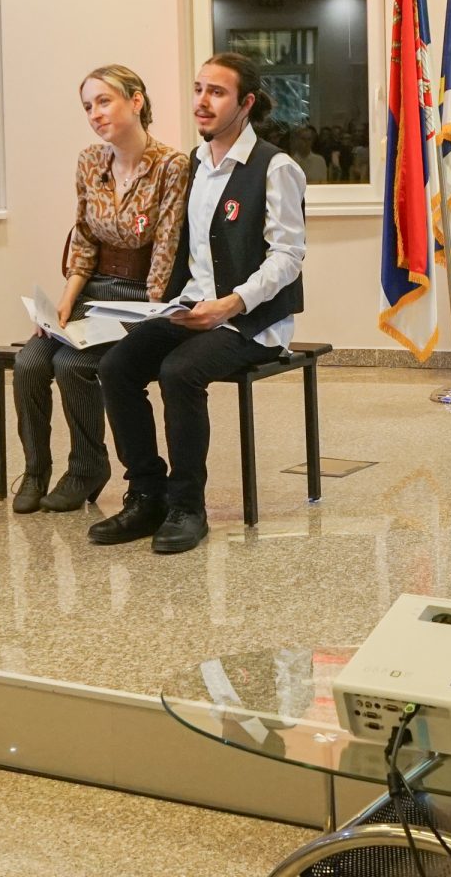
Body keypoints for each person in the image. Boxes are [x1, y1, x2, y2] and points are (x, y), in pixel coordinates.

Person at [92, 52, 306, 554]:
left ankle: (188, 507)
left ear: (246, 103)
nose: (202, 102)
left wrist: (230, 304)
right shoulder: (194, 163)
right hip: (193, 309)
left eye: (217, 92)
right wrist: (168, 303)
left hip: (251, 322)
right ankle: (148, 494)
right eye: (198, 89)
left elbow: (288, 257)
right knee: (117, 367)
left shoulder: (275, 167)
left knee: (179, 372)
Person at [11, 65, 190, 513]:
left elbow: (166, 247)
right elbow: (85, 237)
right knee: (29, 362)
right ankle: (35, 470)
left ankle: (87, 466)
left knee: (71, 363)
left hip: (141, 296)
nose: (95, 113)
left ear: (136, 101)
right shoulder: (91, 160)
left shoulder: (171, 164)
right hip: (95, 288)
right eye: (88, 106)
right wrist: (65, 302)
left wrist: (154, 315)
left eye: (104, 101)